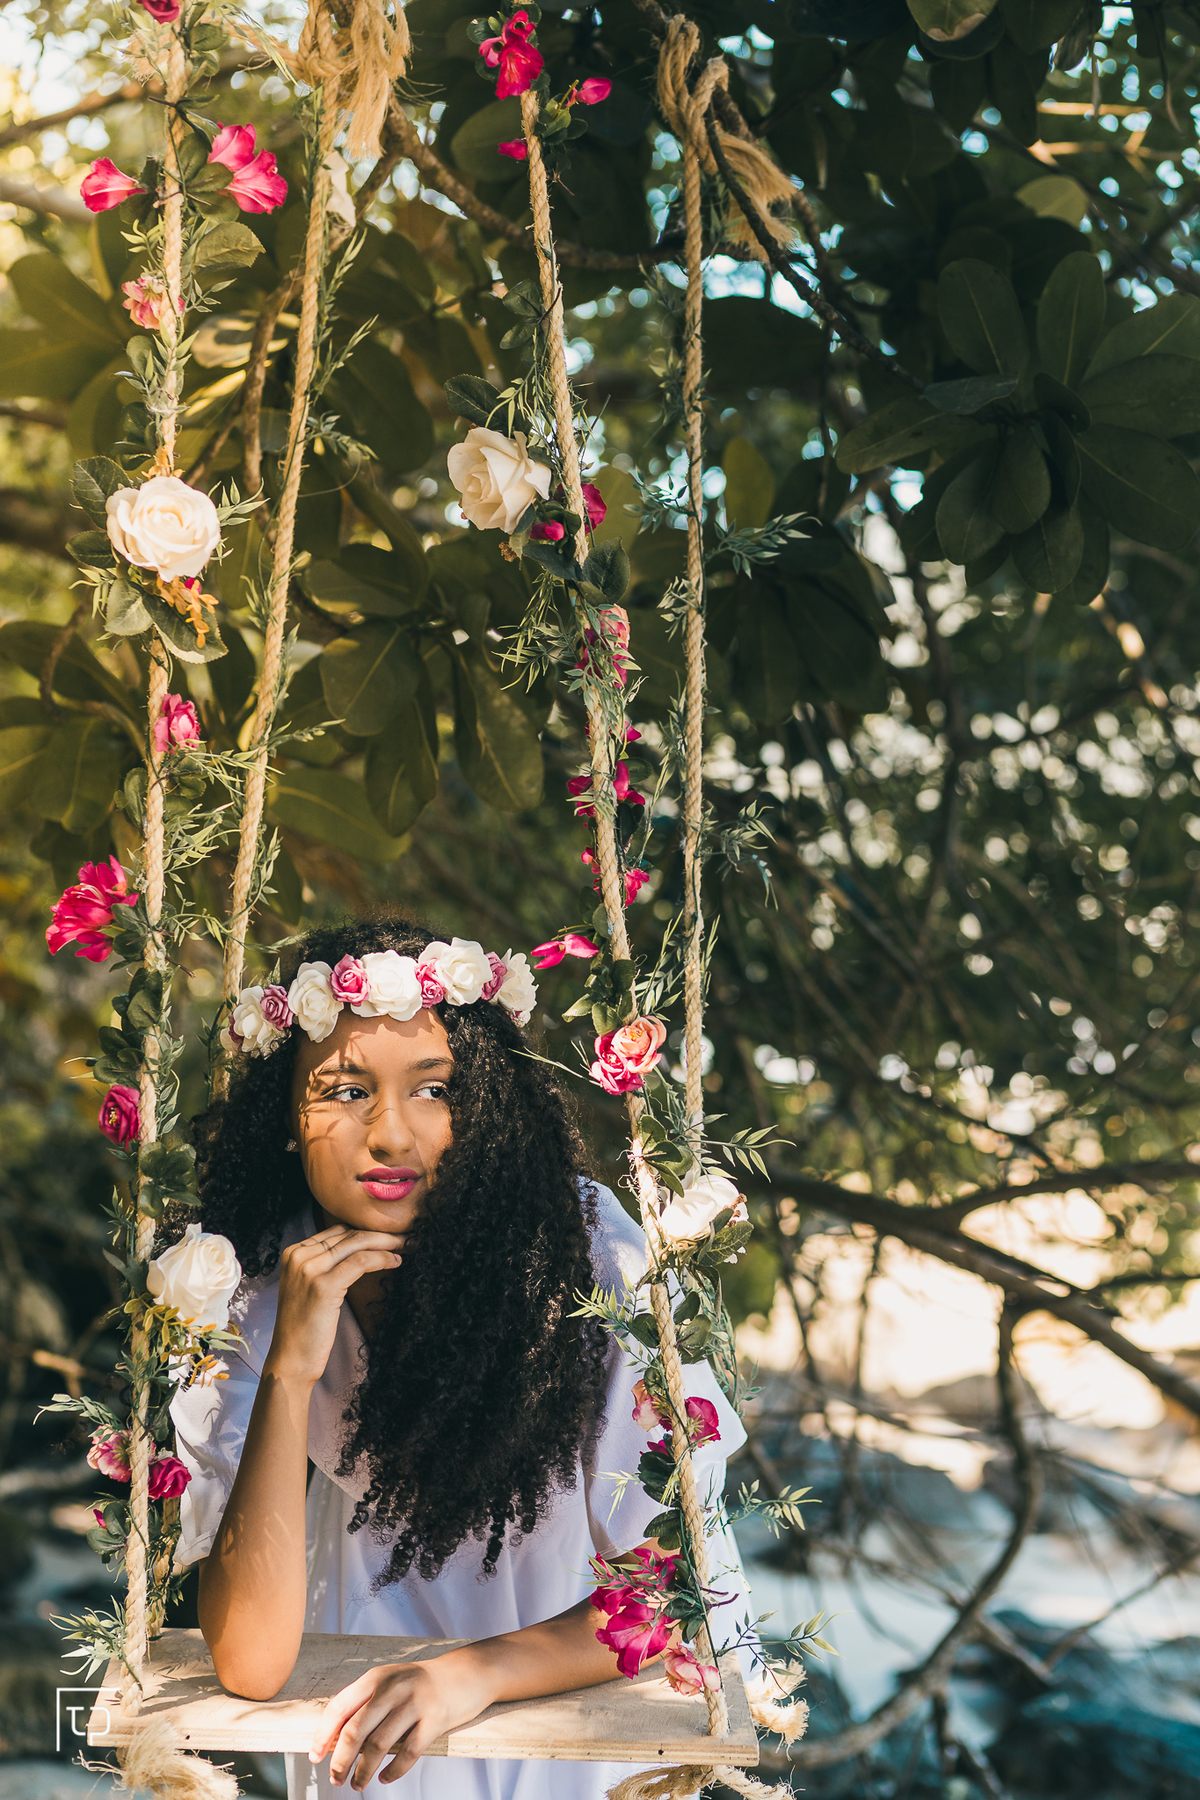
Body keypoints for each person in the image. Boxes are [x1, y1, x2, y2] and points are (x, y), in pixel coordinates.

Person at [171, 915, 749, 1800]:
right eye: (345, 1090)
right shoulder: (250, 1279)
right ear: (287, 1115)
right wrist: (290, 1371)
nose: (390, 1136)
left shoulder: (586, 1256)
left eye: (434, 1089)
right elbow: (251, 1663)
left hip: (567, 1686)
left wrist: (467, 1676)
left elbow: (675, 1591)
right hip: (364, 1712)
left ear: (483, 1105)